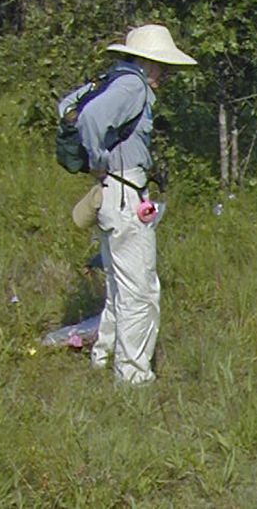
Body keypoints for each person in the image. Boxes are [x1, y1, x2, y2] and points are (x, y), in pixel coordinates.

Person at [74, 23, 197, 385]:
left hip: (117, 192)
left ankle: (105, 354)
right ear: (148, 63)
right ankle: (133, 375)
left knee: (119, 283)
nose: (166, 74)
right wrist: (97, 160)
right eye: (162, 66)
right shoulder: (132, 85)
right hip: (125, 193)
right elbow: (90, 119)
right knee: (140, 290)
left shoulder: (121, 80)